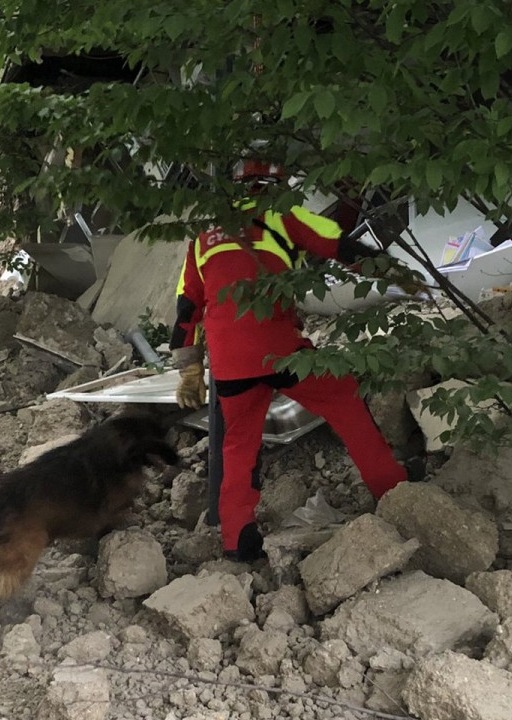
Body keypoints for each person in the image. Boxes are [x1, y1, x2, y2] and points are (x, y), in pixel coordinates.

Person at [169, 159, 414, 561]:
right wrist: (395, 273)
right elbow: (337, 243)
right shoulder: (282, 213)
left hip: (229, 363)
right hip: (278, 348)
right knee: (345, 401)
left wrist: (190, 371)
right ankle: (393, 490)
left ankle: (237, 542)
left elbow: (185, 308)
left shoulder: (202, 237)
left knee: (237, 448)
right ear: (277, 184)